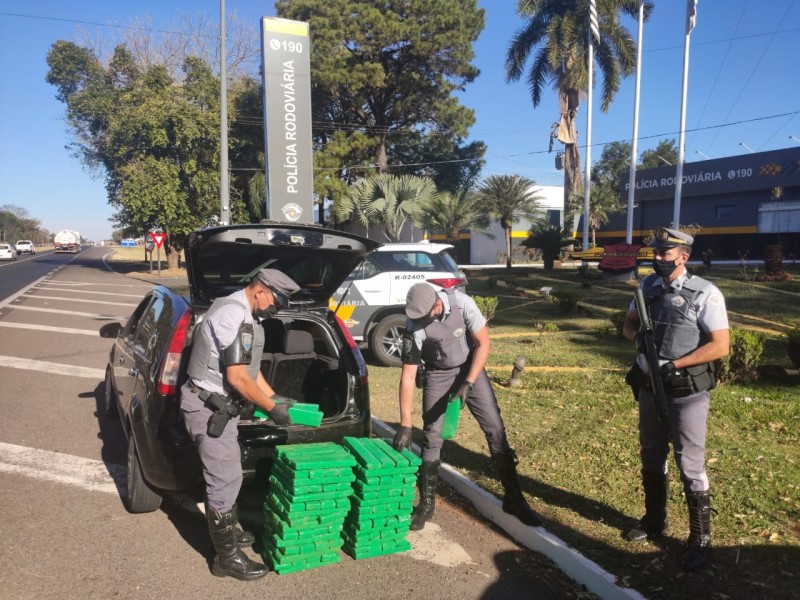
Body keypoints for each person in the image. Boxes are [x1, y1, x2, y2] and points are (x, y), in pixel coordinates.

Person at [180, 268, 300, 580]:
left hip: (220, 408)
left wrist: (275, 396)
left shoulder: (243, 312)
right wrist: (272, 408)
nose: (278, 308)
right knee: (223, 480)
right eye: (277, 300)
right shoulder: (233, 316)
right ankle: (226, 559)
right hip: (208, 407)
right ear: (260, 290)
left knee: (230, 474)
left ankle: (229, 534)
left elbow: (249, 369)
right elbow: (236, 377)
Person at [392, 282, 542, 530]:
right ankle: (426, 505)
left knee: (495, 429)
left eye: (424, 316)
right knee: (432, 436)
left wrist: (469, 383)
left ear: (437, 304)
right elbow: (407, 376)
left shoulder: (462, 304)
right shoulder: (414, 325)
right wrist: (405, 424)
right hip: (438, 375)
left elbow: (483, 343)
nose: (419, 322)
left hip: (470, 369)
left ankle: (514, 499)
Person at [622, 227, 730, 571]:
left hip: (685, 392)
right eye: (655, 252)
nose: (657, 258)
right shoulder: (647, 287)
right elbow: (628, 323)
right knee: (652, 453)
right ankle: (655, 519)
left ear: (683, 257)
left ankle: (700, 539)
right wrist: (639, 341)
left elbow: (720, 345)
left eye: (664, 254)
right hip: (650, 388)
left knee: (690, 464)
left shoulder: (705, 293)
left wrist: (675, 365)